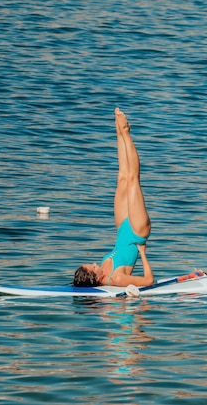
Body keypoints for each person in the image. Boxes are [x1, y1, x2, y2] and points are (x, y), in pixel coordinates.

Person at [73, 108, 154, 287]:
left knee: (122, 179)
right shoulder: (117, 279)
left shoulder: (102, 270)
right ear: (97, 279)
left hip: (122, 230)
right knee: (133, 179)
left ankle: (118, 132)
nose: (96, 263)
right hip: (137, 233)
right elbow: (148, 281)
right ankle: (125, 132)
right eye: (93, 267)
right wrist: (143, 253)